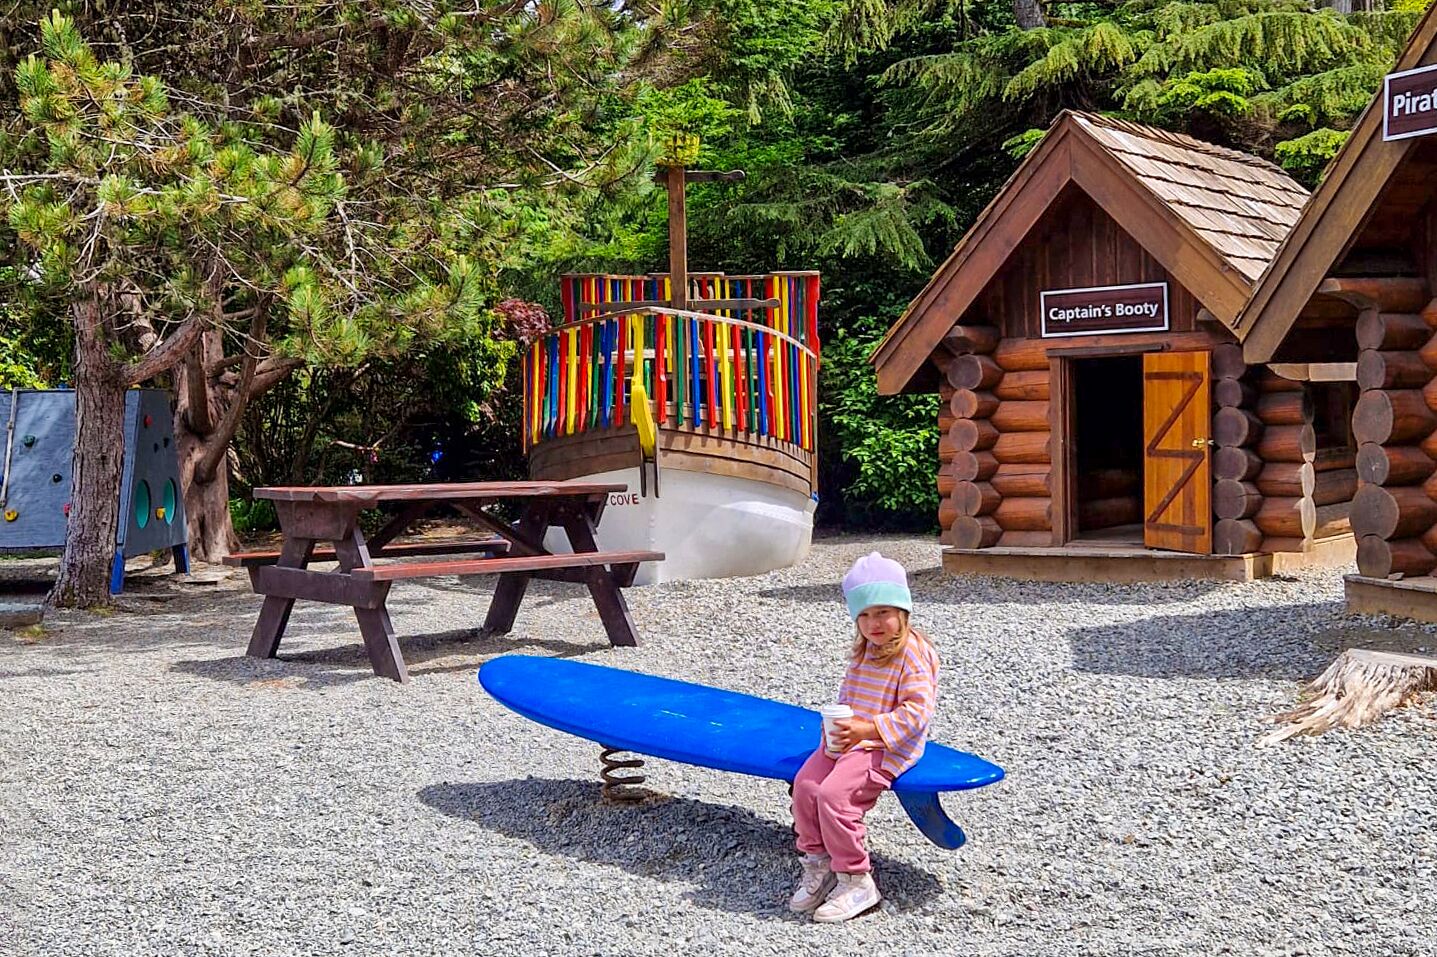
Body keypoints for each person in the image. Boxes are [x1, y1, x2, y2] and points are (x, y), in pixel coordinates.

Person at [788, 551, 940, 923]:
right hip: (854, 737)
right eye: (865, 615)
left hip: (888, 746)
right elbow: (849, 698)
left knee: (835, 795)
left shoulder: (913, 655)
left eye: (883, 612)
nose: (875, 623)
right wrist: (836, 728)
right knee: (806, 785)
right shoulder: (865, 651)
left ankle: (857, 879)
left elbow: (918, 712)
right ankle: (820, 862)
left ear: (903, 611)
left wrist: (868, 729)